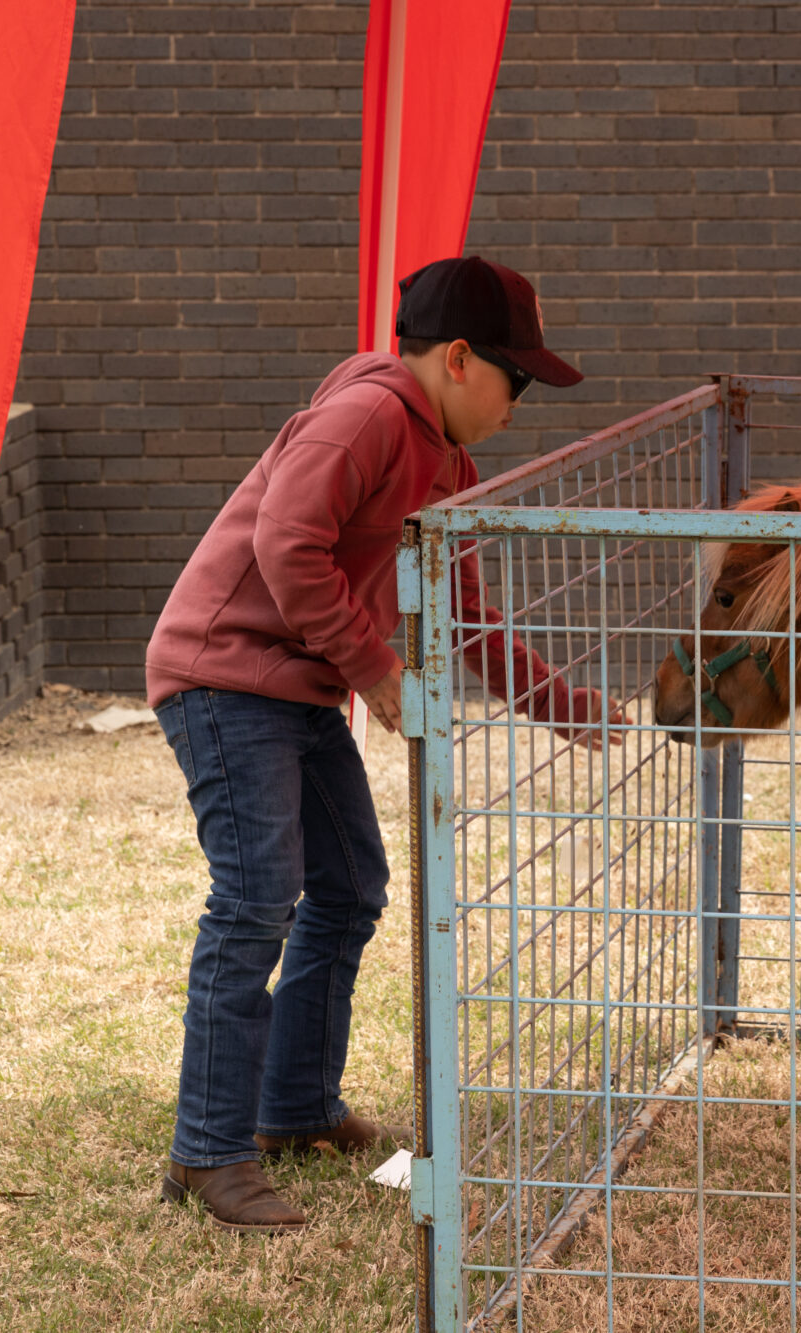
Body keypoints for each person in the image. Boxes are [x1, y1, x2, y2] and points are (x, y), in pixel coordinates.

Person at [145, 256, 624, 1233]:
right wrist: (376, 672)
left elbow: (470, 612)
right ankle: (207, 1150)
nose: (517, 402)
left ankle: (294, 1112)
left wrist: (562, 704)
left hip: (297, 689)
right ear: (456, 358)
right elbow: (286, 544)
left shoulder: (447, 462)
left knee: (351, 884)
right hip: (222, 676)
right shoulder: (365, 416)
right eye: (514, 379)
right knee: (253, 901)